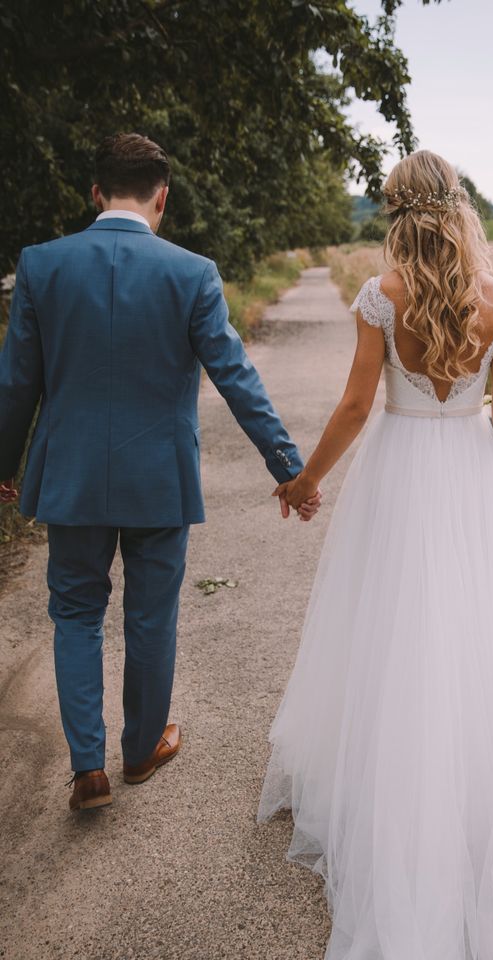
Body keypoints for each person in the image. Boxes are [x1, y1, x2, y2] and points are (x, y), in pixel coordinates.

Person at [259, 149, 493, 960]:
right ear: (461, 207)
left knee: (391, 629)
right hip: (470, 478)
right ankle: (478, 807)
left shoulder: (382, 297)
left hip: (398, 472)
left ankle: (393, 795)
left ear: (395, 215)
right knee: (478, 633)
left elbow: (354, 404)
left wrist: (304, 480)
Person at [0, 133, 320, 812]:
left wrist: (5, 466)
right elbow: (234, 376)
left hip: (74, 478)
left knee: (77, 614)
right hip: (159, 479)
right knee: (150, 617)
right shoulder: (192, 273)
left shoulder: (41, 265)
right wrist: (289, 467)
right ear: (162, 197)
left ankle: (88, 768)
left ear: (94, 192)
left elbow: (16, 383)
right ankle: (141, 751)